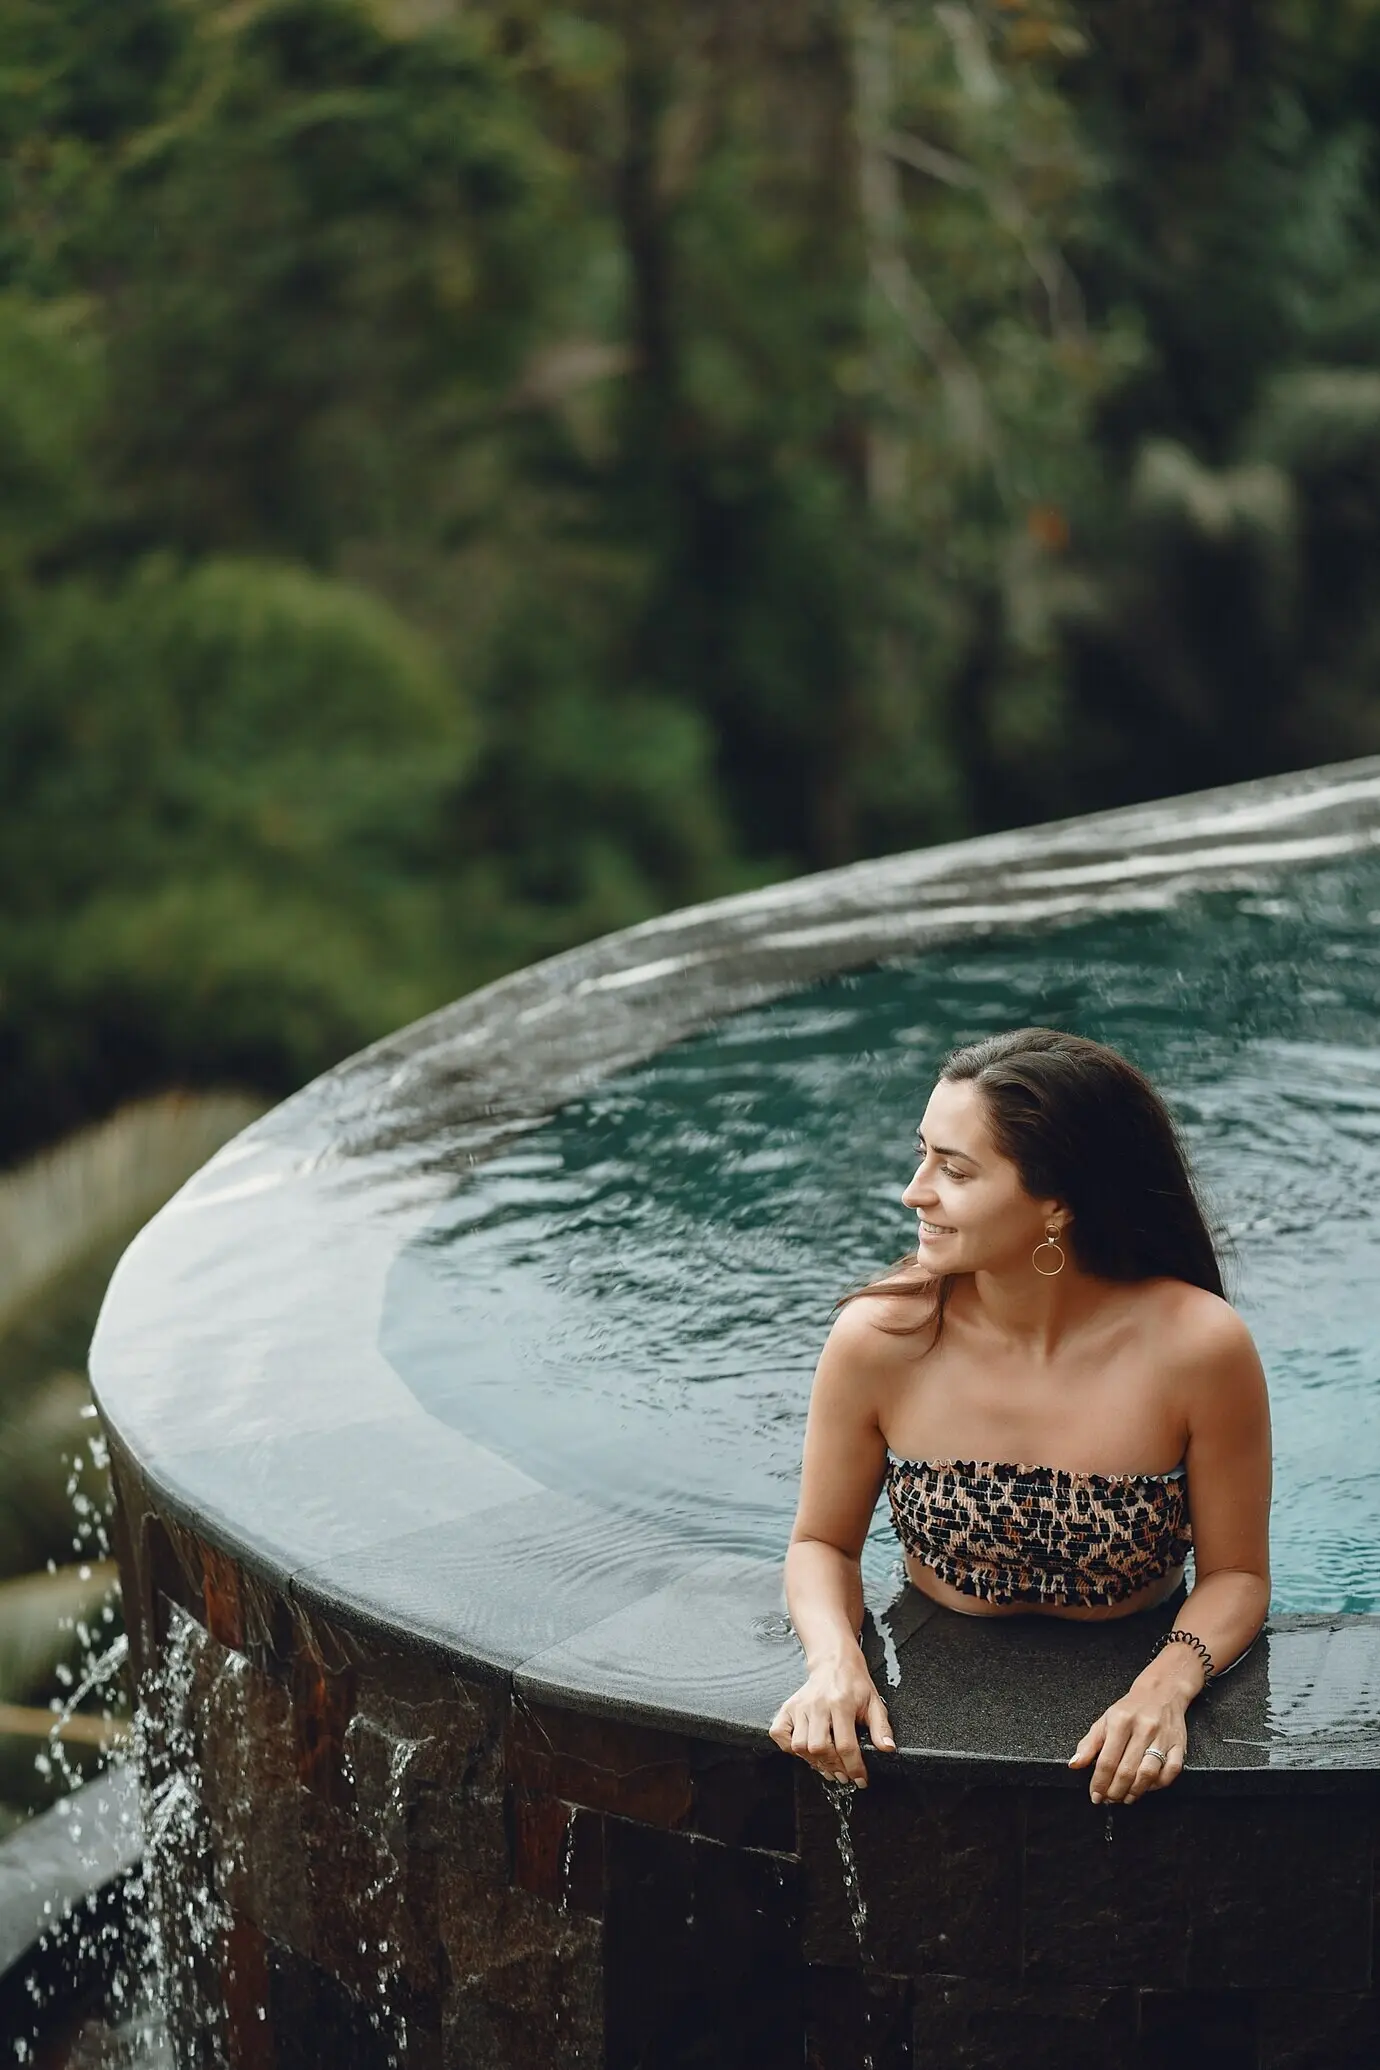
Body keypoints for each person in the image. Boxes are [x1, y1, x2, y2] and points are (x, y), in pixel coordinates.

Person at [769, 1027, 1272, 1806]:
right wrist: (834, 1660)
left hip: (1135, 1651)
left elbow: (1237, 1573)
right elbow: (821, 1543)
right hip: (928, 1666)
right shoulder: (883, 1338)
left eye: (955, 1170)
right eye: (922, 1153)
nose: (914, 1190)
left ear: (1057, 1204)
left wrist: (1167, 1685)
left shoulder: (1198, 1348)